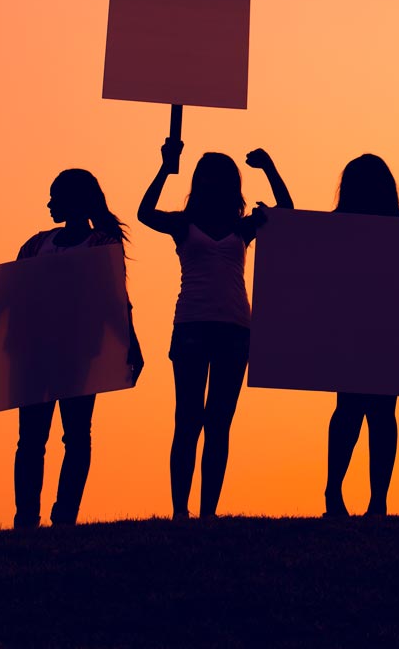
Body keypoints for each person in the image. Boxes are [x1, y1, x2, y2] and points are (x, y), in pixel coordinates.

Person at [0, 169, 139, 529]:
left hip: (79, 353)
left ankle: (65, 516)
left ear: (75, 200)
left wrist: (130, 343)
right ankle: (26, 517)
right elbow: (6, 295)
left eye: (55, 196)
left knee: (75, 435)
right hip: (32, 354)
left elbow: (116, 299)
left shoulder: (101, 245)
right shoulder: (36, 244)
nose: (49, 203)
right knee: (30, 439)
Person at [139, 140, 293, 519]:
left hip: (235, 328)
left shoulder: (243, 226)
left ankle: (208, 512)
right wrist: (164, 167)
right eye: (205, 174)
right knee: (188, 419)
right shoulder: (183, 223)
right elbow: (144, 213)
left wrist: (270, 166)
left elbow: (287, 214)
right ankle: (180, 511)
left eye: (218, 175)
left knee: (219, 423)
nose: (211, 180)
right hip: (191, 323)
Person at [323, 154, 399, 519]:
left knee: (370, 411)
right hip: (359, 327)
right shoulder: (340, 228)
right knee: (361, 410)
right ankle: (347, 494)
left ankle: (371, 499)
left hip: (379, 328)